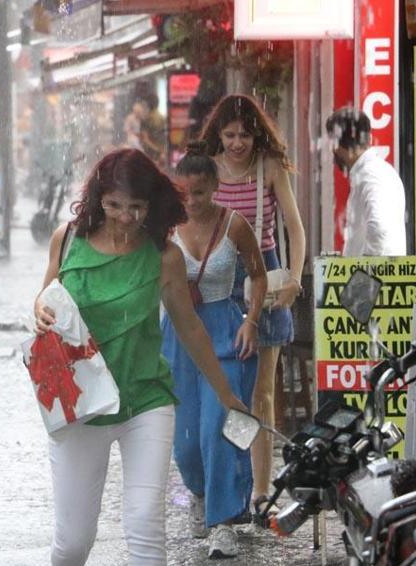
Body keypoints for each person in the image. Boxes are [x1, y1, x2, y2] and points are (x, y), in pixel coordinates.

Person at [33, 148, 249, 566]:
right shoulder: (68, 240)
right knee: (73, 543)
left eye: (136, 207)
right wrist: (39, 310)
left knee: (145, 527)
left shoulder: (165, 256)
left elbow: (189, 328)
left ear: (152, 205)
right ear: (98, 198)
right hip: (79, 404)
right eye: (114, 205)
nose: (124, 217)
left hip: (145, 401)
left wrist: (227, 395)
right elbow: (46, 296)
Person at [199, 94, 306, 522]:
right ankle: (221, 487)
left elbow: (295, 229)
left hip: (267, 274)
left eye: (244, 134)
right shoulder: (207, 169)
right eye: (229, 134)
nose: (238, 142)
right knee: (225, 390)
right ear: (217, 135)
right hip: (217, 281)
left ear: (255, 133)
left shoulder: (269, 167)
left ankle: (262, 490)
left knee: (262, 393)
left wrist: (295, 280)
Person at [160, 141, 267, 558]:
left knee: (218, 430)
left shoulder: (235, 225)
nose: (192, 202)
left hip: (225, 333)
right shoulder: (165, 229)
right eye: (184, 193)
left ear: (215, 187)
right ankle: (202, 493)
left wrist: (252, 322)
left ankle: (223, 521)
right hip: (178, 339)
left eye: (200, 193)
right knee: (186, 441)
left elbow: (258, 276)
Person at [325, 107, 407, 256]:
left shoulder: (370, 176)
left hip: (376, 278)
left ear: (338, 146)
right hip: (386, 275)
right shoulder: (379, 171)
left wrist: (363, 275)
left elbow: (378, 229)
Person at [138, 93, 168, 167]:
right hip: (163, 155)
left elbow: (145, 140)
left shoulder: (145, 120)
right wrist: (162, 152)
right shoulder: (163, 118)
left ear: (147, 104)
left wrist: (157, 151)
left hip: (151, 156)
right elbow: (166, 137)